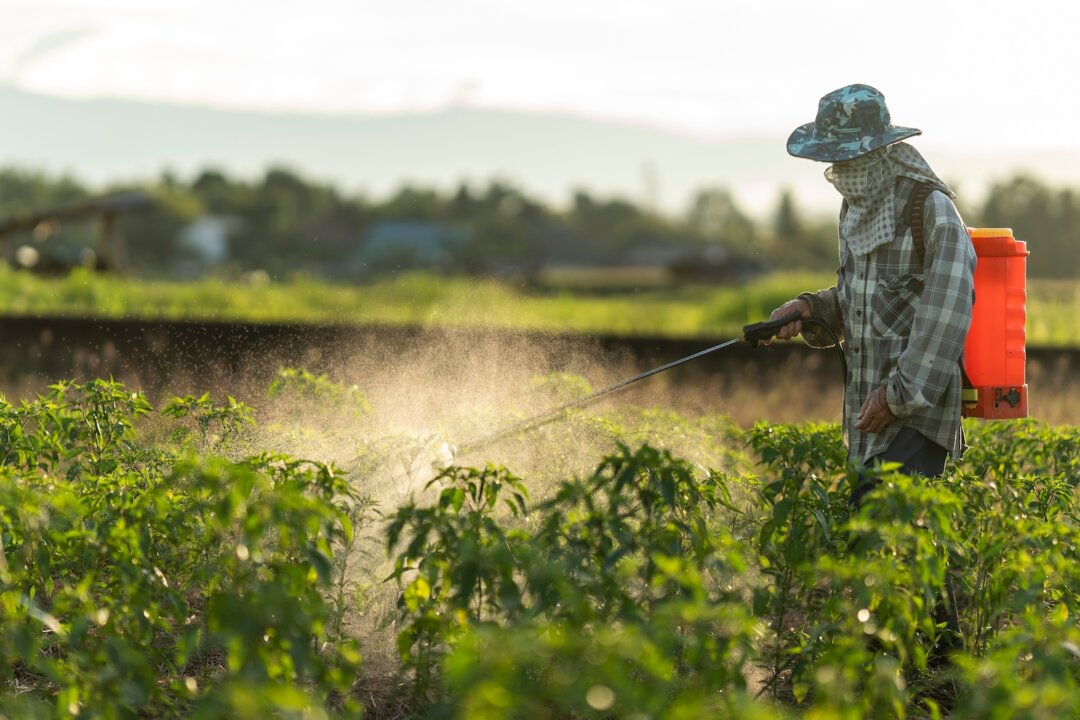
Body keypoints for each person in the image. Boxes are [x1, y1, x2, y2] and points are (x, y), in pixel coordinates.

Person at [770, 84, 976, 506]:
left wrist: (896, 396)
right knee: (885, 561)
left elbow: (947, 317)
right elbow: (859, 302)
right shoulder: (855, 210)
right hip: (868, 424)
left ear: (878, 151)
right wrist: (812, 309)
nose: (839, 170)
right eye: (833, 160)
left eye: (847, 158)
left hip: (915, 422)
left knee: (885, 547)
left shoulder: (931, 210)